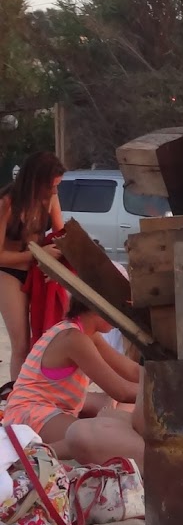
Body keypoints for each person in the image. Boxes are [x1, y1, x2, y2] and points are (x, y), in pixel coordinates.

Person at [0, 297, 144, 468]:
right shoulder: (74, 339)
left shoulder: (85, 333)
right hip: (29, 412)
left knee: (116, 414)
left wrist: (170, 377)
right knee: (95, 437)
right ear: (98, 308)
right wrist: (166, 392)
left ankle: (41, 452)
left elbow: (132, 371)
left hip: (50, 406)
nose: (119, 322)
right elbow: (121, 391)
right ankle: (35, 456)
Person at [0, 152, 65, 384]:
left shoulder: (50, 199)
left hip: (37, 268)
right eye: (51, 186)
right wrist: (37, 255)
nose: (54, 191)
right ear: (35, 181)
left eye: (57, 186)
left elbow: (61, 234)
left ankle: (37, 391)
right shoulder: (7, 203)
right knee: (21, 343)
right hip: (9, 272)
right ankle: (18, 399)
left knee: (45, 335)